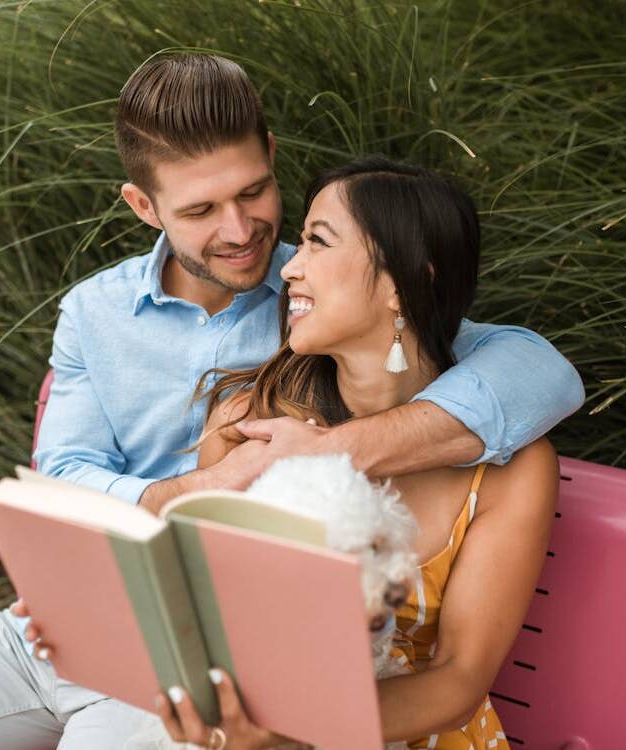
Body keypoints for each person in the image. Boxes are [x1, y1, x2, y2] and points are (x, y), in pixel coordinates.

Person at [0, 54, 581, 750]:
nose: (243, 233)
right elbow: (62, 480)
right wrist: (160, 522)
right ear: (143, 206)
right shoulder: (107, 321)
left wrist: (328, 451)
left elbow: (537, 371)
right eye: (199, 210)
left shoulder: (326, 296)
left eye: (254, 192)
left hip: (231, 685)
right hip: (111, 626)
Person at [141, 157, 559, 749]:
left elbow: (459, 678)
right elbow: (207, 622)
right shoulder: (247, 420)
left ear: (401, 282)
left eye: (318, 242)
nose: (290, 268)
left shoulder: (511, 471)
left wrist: (296, 730)